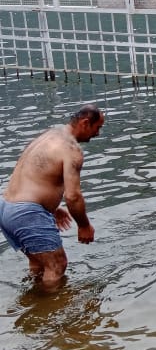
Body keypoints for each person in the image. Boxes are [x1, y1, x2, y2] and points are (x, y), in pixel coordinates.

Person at [0, 104, 105, 290]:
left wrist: (50, 207)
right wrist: (84, 225)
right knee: (57, 265)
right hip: (26, 212)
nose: (98, 134)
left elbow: (32, 172)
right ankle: (47, 311)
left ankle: (31, 300)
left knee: (39, 264)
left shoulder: (50, 135)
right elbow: (73, 196)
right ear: (85, 123)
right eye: (98, 128)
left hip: (6, 207)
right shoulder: (72, 149)